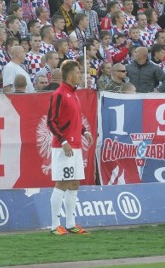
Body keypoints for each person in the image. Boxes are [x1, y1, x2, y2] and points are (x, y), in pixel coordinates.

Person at [47, 60, 93, 236]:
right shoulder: (59, 94)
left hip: (75, 145)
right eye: (78, 72)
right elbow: (51, 120)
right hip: (63, 146)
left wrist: (83, 131)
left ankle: (71, 224)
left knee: (74, 183)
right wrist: (63, 141)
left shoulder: (74, 94)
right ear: (69, 75)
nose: (80, 75)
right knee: (62, 183)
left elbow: (72, 118)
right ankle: (54, 225)